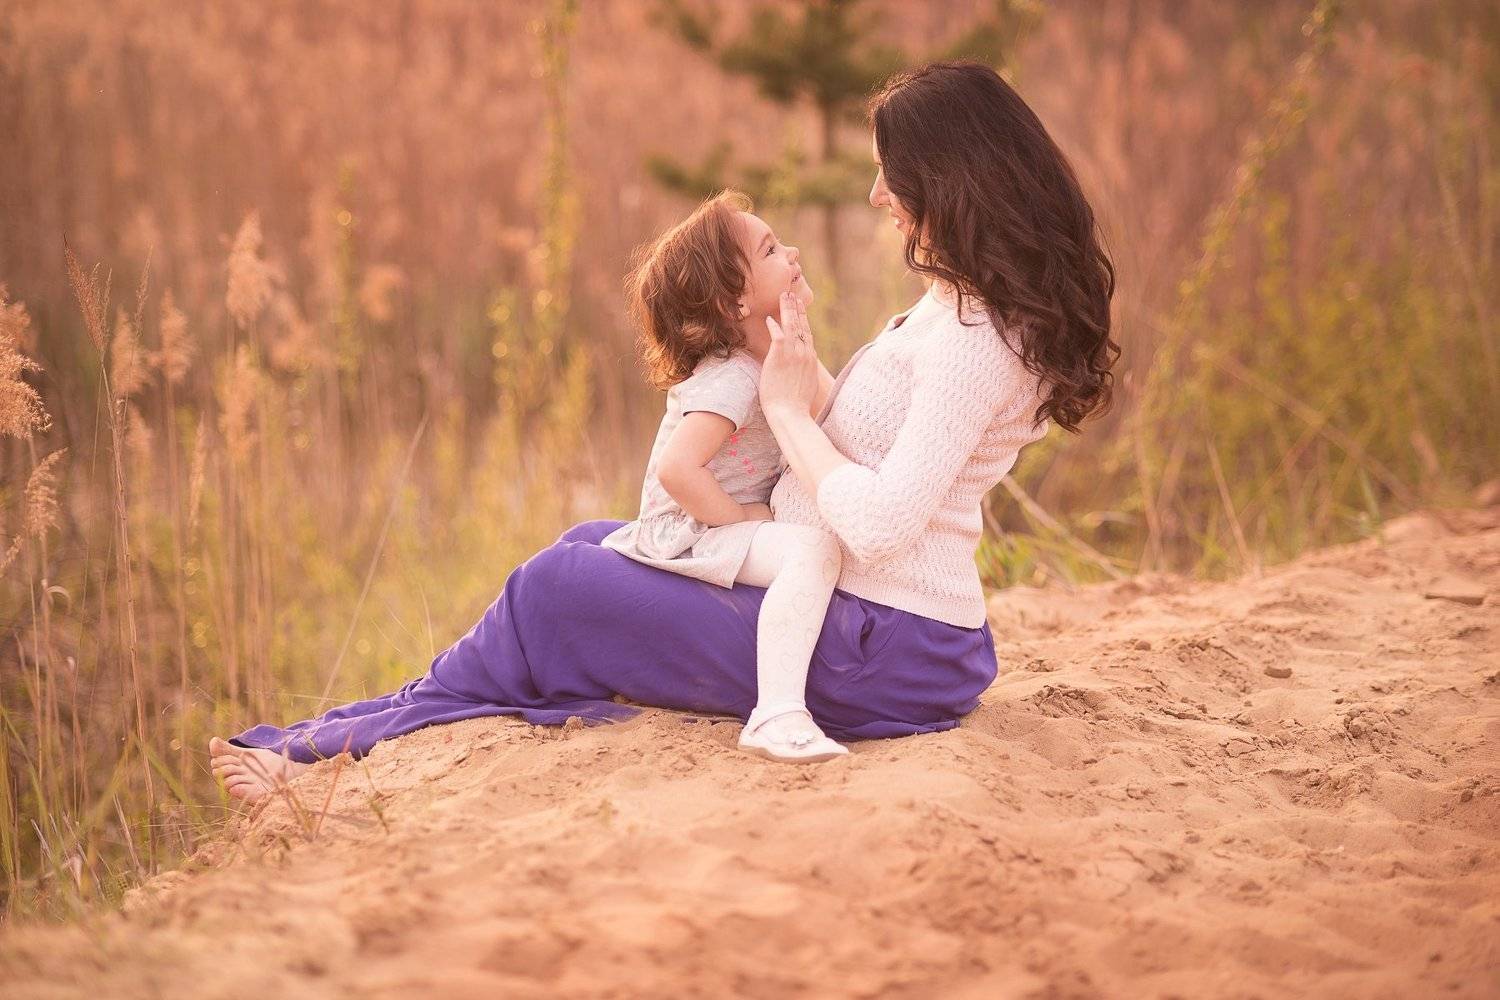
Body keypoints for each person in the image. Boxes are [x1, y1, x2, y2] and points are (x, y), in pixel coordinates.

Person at [210, 61, 1118, 801]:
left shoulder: (973, 340)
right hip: (878, 627)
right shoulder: (958, 304)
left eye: (894, 174)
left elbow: (881, 525)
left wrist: (788, 411)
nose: (879, 194)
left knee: (553, 588)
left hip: (880, 645)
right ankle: (347, 731)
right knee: (589, 543)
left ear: (950, 181)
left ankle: (328, 754)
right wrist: (792, 379)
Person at [598, 189, 847, 762]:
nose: (793, 251)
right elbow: (676, 469)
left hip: (716, 524)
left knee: (817, 539)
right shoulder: (733, 377)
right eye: (771, 250)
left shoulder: (777, 356)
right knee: (812, 550)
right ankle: (776, 714)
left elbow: (838, 419)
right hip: (690, 530)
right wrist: (740, 518)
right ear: (733, 302)